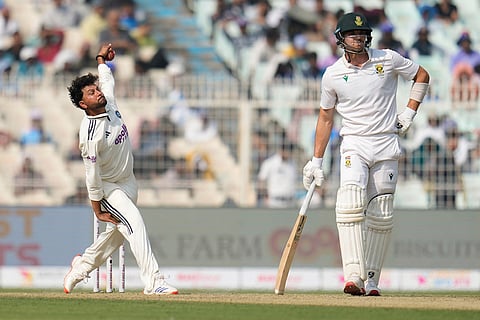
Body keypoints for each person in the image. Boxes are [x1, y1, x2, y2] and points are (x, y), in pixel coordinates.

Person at [302, 12, 430, 296]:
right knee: (349, 202)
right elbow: (325, 119)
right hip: (355, 144)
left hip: (386, 142)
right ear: (340, 39)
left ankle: (371, 281)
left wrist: (409, 113)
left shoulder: (387, 59)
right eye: (352, 34)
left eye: (362, 34)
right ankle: (352, 276)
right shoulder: (333, 74)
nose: (358, 38)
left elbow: (421, 75)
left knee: (382, 212)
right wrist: (316, 161)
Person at [63, 43, 178, 295]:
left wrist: (101, 59)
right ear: (83, 105)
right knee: (134, 223)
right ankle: (154, 281)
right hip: (108, 187)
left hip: (128, 181)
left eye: (96, 89)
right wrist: (98, 209)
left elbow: (107, 80)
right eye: (91, 94)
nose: (98, 93)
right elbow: (91, 175)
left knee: (116, 235)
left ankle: (81, 266)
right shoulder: (90, 135)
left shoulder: (110, 102)